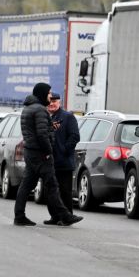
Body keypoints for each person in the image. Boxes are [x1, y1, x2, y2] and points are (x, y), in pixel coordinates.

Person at [13, 82, 82, 227]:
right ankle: (64, 215)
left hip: (30, 152)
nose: (50, 97)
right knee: (52, 185)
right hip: (40, 154)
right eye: (49, 93)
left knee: (27, 184)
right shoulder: (39, 110)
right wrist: (48, 152)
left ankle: (19, 216)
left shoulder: (28, 109)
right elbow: (42, 134)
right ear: (42, 93)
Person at [45, 92, 80, 222]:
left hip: (63, 161)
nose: (52, 104)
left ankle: (67, 217)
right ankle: (54, 216)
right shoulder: (46, 117)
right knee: (50, 191)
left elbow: (75, 136)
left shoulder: (67, 117)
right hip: (49, 161)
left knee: (65, 191)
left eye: (54, 101)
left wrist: (64, 150)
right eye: (50, 101)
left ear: (60, 102)